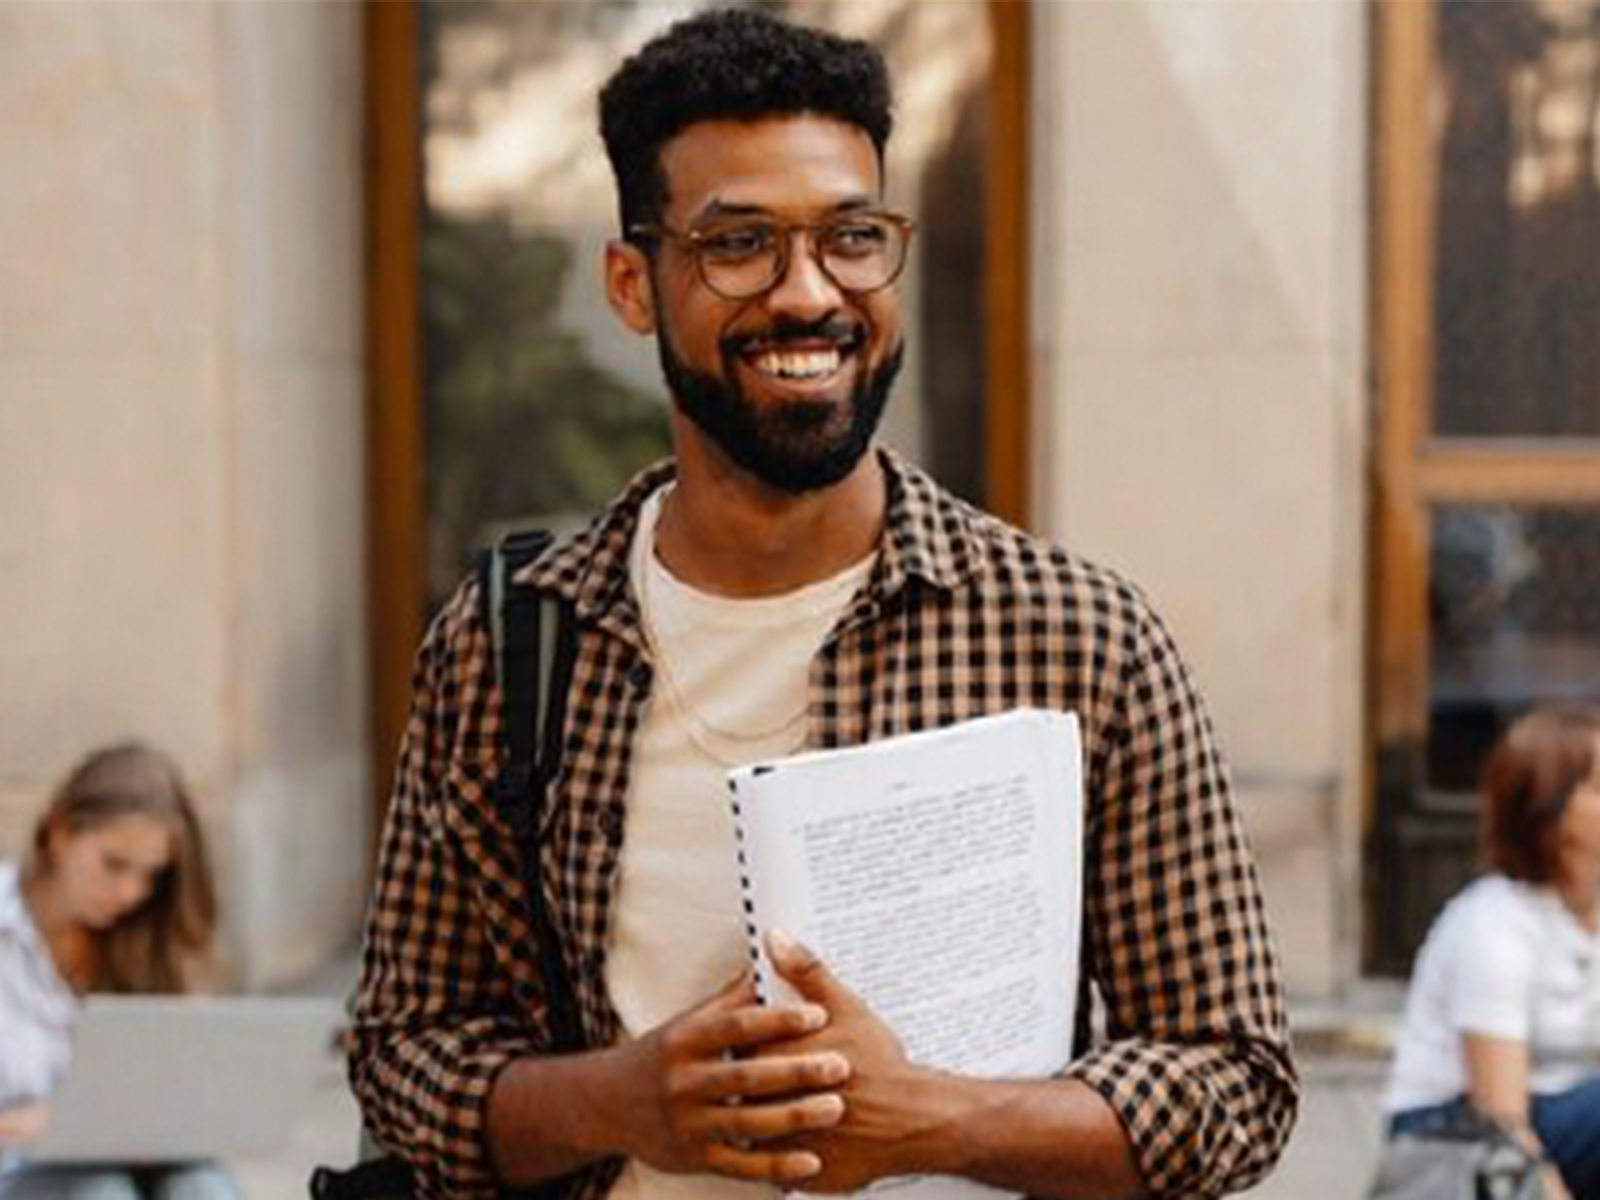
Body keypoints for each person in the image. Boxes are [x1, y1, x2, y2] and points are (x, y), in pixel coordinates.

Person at [348, 10, 1298, 1200]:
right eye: (739, 243)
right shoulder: (508, 643)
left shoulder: (1080, 638)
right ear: (633, 284)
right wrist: (621, 1100)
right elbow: (399, 1055)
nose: (811, 295)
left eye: (851, 235)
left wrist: (938, 1123)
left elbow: (1237, 1084)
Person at [0, 742, 237, 1200]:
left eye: (151, 875)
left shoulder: (144, 945)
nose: (131, 892)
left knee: (201, 1184)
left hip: (128, 1163)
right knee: (100, 1193)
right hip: (14, 1171)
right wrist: (32, 1123)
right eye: (114, 864)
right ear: (59, 833)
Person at [1382, 706, 1600, 1200]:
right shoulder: (1493, 923)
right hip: (1450, 1136)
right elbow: (1502, 1118)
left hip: (1554, 1118)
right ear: (1551, 812)